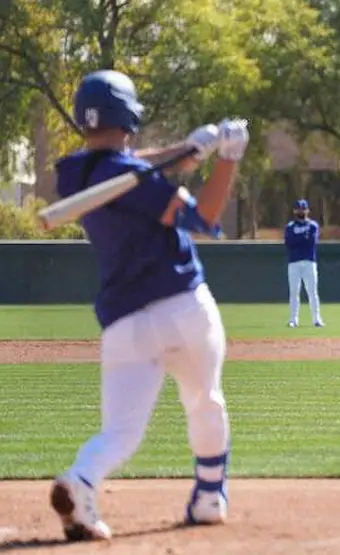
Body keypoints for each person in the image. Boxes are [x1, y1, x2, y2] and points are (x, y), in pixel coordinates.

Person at [49, 69, 247, 540]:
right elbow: (207, 217)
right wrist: (228, 158)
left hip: (124, 324)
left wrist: (188, 149)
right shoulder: (140, 180)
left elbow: (125, 164)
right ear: (129, 115)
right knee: (204, 401)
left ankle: (80, 481)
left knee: (119, 432)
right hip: (184, 309)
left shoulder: (71, 173)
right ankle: (207, 497)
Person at [284, 198, 323, 328]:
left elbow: (312, 241)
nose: (301, 211)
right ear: (294, 210)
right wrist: (302, 238)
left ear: (307, 210)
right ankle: (293, 319)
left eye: (303, 209)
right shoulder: (290, 226)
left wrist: (299, 239)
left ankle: (316, 319)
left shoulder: (313, 225)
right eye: (298, 209)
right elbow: (289, 242)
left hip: (309, 261)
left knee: (312, 291)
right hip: (294, 261)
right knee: (294, 292)